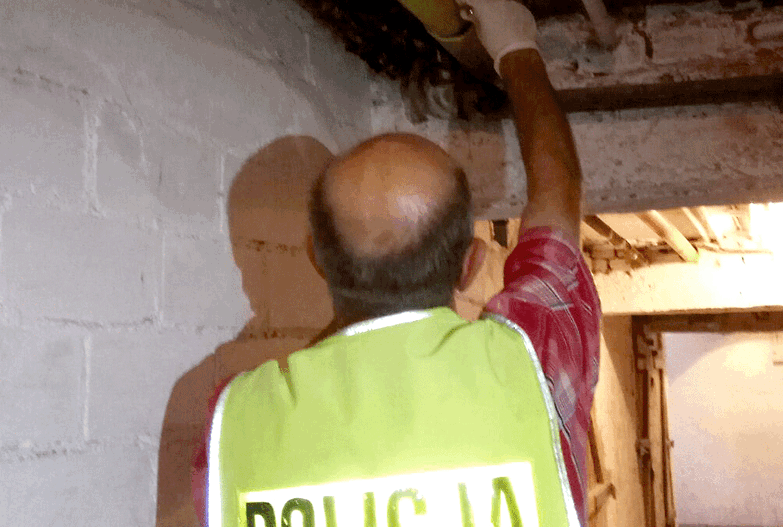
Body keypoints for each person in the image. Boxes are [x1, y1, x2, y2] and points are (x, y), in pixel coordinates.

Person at [195, 0, 601, 525]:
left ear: (318, 260)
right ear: (471, 265)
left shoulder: (234, 421)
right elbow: (558, 196)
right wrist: (515, 45)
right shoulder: (530, 359)